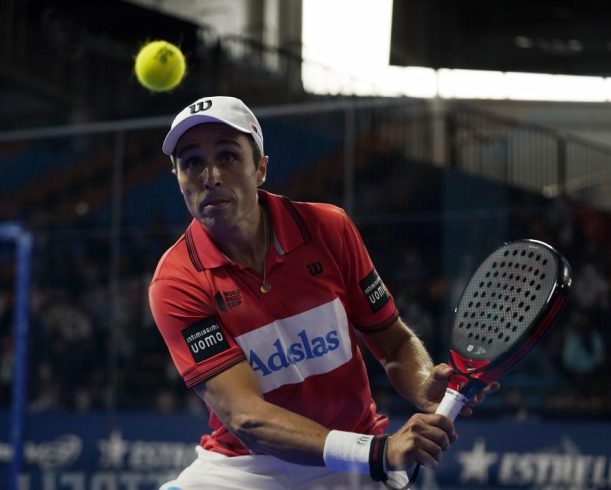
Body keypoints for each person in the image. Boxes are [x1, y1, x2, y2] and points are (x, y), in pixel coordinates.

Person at [148, 96, 498, 489]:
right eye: (191, 162)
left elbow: (394, 342)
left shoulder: (329, 229)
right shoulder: (177, 281)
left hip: (351, 459)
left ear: (260, 168)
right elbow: (246, 418)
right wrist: (380, 452)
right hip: (246, 467)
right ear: (178, 177)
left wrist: (422, 385)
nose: (209, 175)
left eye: (228, 156)